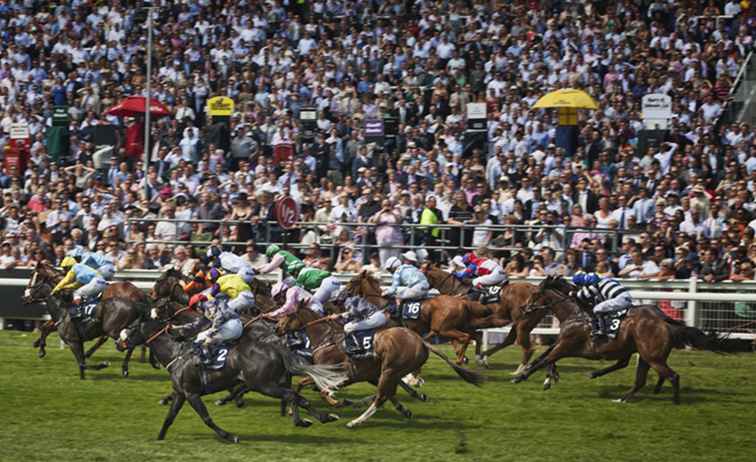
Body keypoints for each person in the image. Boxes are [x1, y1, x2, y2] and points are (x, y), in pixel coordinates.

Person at [572, 272, 633, 339]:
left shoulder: (594, 286)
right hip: (627, 297)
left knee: (597, 309)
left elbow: (584, 295)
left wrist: (572, 293)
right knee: (604, 307)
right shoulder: (606, 279)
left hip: (620, 300)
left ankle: (603, 331)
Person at [190, 296, 243, 366]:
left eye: (194, 308)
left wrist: (210, 335)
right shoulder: (209, 308)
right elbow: (198, 324)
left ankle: (208, 361)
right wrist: (177, 327)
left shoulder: (208, 305)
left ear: (198, 304)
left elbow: (219, 318)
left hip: (231, 327)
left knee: (200, 337)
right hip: (237, 325)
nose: (196, 310)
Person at [189, 267, 256, 315]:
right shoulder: (233, 278)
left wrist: (201, 297)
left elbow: (211, 295)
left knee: (222, 313)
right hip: (249, 298)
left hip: (242, 298)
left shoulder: (220, 281)